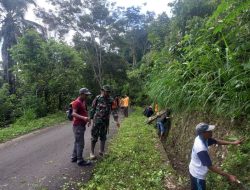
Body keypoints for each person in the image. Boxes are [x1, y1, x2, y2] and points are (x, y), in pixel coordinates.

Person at [189, 122, 243, 190]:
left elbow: (216, 141)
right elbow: (210, 166)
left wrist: (233, 143)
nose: (211, 131)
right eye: (209, 131)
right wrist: (229, 176)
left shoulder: (202, 138)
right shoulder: (200, 148)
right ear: (203, 133)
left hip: (194, 168)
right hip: (197, 174)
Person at [89, 85, 120, 159]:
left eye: (109, 92)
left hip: (105, 121)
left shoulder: (111, 100)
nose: (107, 93)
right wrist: (90, 118)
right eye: (106, 91)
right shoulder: (97, 98)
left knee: (103, 136)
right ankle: (92, 153)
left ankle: (101, 151)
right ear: (102, 91)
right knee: (94, 136)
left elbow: (114, 111)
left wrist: (116, 121)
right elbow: (93, 108)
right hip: (97, 120)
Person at [71, 88, 92, 166]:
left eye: (87, 95)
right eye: (86, 95)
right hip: (78, 125)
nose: (87, 96)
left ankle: (74, 157)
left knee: (77, 141)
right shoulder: (77, 102)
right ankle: (80, 160)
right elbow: (73, 114)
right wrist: (84, 118)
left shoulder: (83, 102)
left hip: (81, 125)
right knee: (80, 143)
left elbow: (85, 112)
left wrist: (88, 120)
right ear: (81, 94)